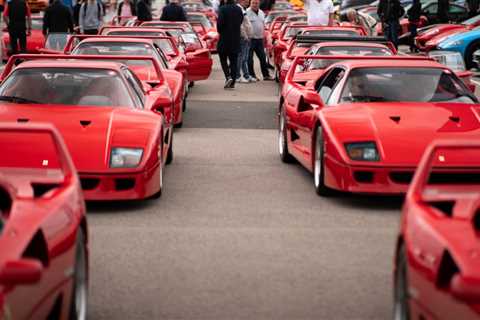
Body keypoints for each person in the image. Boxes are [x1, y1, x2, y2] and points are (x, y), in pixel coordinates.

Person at [217, 0, 243, 89]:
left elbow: (219, 24)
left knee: (223, 59)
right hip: (235, 39)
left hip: (224, 38)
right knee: (234, 62)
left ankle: (228, 77)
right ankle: (233, 83)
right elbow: (241, 21)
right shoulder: (238, 9)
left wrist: (221, 31)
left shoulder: (223, 9)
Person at [247, 0, 273, 81]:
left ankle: (266, 75)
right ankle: (252, 76)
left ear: (259, 4)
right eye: (253, 3)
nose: (255, 5)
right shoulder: (246, 12)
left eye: (256, 3)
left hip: (259, 39)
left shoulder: (261, 12)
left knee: (263, 58)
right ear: (250, 4)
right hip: (250, 39)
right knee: (249, 59)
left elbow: (263, 24)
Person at [237, 0, 255, 83]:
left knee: (245, 58)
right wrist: (245, 35)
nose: (248, 2)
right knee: (241, 58)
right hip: (244, 37)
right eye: (246, 1)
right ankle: (238, 76)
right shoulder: (239, 9)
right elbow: (240, 25)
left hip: (247, 37)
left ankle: (246, 75)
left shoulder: (243, 9)